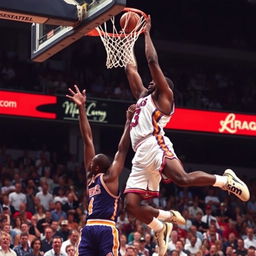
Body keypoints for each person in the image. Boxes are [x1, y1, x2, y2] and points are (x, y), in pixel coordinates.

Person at [124, 15, 250, 256]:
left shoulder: (164, 98)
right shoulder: (142, 97)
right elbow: (131, 68)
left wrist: (146, 33)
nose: (150, 82)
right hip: (140, 152)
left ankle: (226, 181)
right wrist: (128, 39)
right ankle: (160, 226)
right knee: (131, 206)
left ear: (163, 88)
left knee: (182, 178)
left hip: (155, 143)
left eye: (156, 81)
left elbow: (151, 60)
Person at [66, 85, 135, 256]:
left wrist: (128, 122)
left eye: (93, 161)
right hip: (89, 227)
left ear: (97, 166)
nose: (89, 162)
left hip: (106, 227)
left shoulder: (110, 177)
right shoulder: (91, 177)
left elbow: (122, 150)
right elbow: (87, 139)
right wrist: (81, 108)